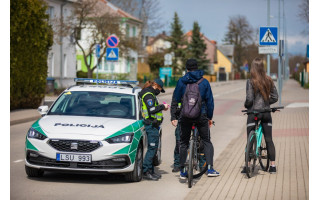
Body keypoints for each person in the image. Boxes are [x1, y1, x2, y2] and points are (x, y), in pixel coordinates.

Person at [173, 58, 220, 178]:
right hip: (201, 116)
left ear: (187, 68)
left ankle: (182, 170)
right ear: (197, 67)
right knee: (206, 141)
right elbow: (210, 101)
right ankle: (210, 169)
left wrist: (173, 116)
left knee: (183, 142)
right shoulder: (204, 82)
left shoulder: (181, 81)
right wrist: (209, 117)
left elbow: (175, 99)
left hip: (185, 116)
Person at [242, 57, 278, 174]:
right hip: (266, 113)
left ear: (253, 68)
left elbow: (249, 99)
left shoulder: (250, 81)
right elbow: (275, 97)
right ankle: (272, 166)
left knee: (249, 139)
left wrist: (247, 106)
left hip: (254, 113)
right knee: (269, 139)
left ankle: (247, 165)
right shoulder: (269, 80)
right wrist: (267, 104)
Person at [139, 78, 169, 180]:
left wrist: (162, 107)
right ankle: (146, 171)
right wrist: (162, 106)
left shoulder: (151, 94)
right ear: (156, 86)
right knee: (152, 149)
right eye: (160, 89)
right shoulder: (148, 95)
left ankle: (151, 170)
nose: (159, 92)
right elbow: (151, 109)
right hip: (150, 125)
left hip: (154, 125)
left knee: (154, 149)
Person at [170, 95, 181, 172]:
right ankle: (177, 164)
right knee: (179, 142)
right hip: (182, 118)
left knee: (201, 141)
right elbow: (174, 104)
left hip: (196, 117)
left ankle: (202, 164)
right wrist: (173, 117)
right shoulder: (179, 88)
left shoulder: (198, 85)